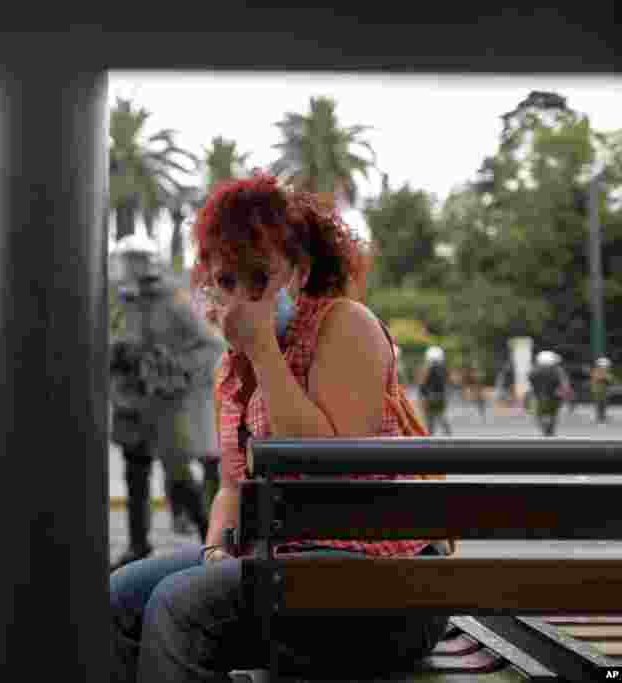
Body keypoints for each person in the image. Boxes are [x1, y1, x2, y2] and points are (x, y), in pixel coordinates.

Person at [110, 174, 449, 682]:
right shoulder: (234, 367)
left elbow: (327, 466)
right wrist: (215, 549)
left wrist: (265, 351)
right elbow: (229, 487)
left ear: (299, 271)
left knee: (178, 609)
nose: (243, 297)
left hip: (381, 585)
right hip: (282, 568)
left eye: (259, 278)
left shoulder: (345, 325)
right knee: (117, 598)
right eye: (227, 282)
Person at [108, 232, 224, 570]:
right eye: (126, 261)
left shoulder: (174, 302)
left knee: (178, 476)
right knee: (135, 475)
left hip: (166, 403)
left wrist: (172, 363)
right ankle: (138, 544)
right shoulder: (121, 303)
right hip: (130, 402)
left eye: (135, 261)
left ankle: (209, 540)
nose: (129, 268)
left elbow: (210, 346)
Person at [528, 350, 573, 437]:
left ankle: (546, 429)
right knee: (552, 414)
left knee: (539, 414)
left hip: (540, 397)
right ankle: (549, 430)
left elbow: (532, 385)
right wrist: (567, 396)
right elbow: (565, 384)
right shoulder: (557, 371)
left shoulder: (534, 371)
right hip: (555, 397)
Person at [417, 346, 452, 435]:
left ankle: (430, 438)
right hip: (440, 397)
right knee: (441, 417)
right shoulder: (443, 369)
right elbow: (447, 383)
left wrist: (421, 396)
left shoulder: (427, 369)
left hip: (430, 397)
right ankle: (449, 437)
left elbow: (423, 385)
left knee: (430, 419)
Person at [590, 357, 615, 424]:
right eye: (607, 366)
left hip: (604, 391)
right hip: (598, 391)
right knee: (599, 404)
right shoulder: (597, 371)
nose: (608, 367)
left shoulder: (606, 372)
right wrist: (605, 377)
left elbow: (610, 379)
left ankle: (602, 417)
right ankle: (599, 417)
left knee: (604, 404)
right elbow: (599, 378)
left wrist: (607, 378)